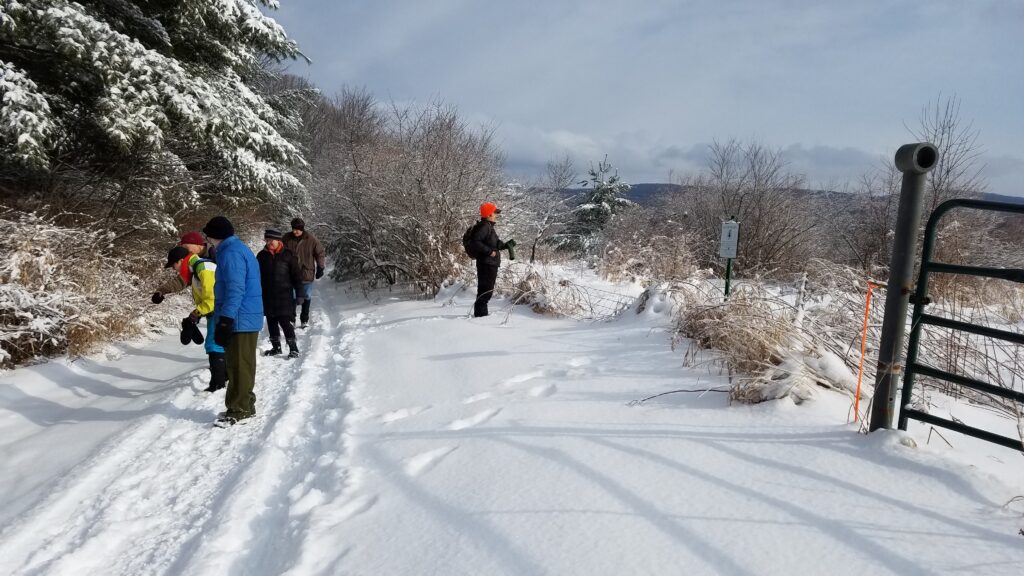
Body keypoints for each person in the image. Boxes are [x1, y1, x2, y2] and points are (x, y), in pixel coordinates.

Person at [203, 216, 263, 427]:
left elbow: (235, 288)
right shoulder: (235, 249)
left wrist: (226, 319)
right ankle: (244, 403)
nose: (207, 240)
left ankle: (240, 409)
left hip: (240, 317)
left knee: (239, 365)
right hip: (243, 315)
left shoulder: (231, 253)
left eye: (208, 236)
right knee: (241, 363)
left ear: (215, 236)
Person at [154, 245, 226, 392]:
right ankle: (224, 377)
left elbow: (212, 299)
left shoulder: (203, 268)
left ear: (181, 261)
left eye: (174, 265)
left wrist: (196, 313)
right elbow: (180, 282)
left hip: (220, 310)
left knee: (214, 345)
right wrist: (161, 291)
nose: (174, 269)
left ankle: (218, 384)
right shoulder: (195, 268)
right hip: (217, 310)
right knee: (218, 343)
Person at [256, 229, 304, 358]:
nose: (269, 242)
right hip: (267, 295)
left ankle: (293, 348)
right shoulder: (261, 256)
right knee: (271, 321)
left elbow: (297, 276)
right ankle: (276, 347)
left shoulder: (288, 254)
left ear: (278, 240)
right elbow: (256, 276)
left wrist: (300, 293)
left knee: (284, 321)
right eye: (267, 240)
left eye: (271, 240)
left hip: (284, 295)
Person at [467, 202, 509, 318]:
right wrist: (490, 252)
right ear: (489, 214)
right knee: (485, 292)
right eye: (495, 213)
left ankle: (481, 316)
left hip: (489, 264)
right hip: (486, 264)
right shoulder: (484, 227)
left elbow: (492, 243)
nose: (496, 215)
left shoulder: (489, 226)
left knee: (485, 292)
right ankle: (481, 318)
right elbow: (476, 242)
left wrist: (504, 245)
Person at [282, 217, 326, 328]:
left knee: (306, 296)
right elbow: (279, 252)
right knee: (291, 296)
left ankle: (304, 319)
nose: (295, 231)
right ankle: (292, 319)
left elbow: (320, 253)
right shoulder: (286, 238)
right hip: (290, 273)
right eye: (294, 229)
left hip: (306, 273)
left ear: (302, 229)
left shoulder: (311, 239)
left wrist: (320, 267)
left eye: (298, 229)